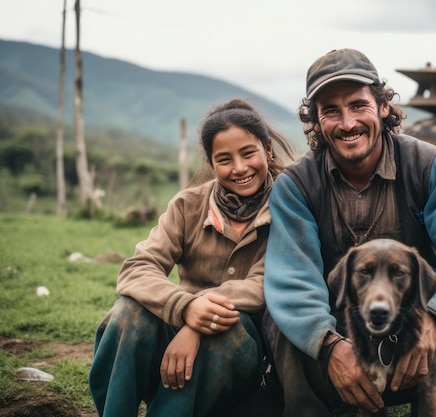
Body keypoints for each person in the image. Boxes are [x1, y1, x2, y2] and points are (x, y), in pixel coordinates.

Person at [262, 48, 436, 416]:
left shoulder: (430, 167)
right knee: (279, 322)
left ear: (383, 106)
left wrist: (433, 315)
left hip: (418, 312)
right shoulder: (297, 185)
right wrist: (329, 345)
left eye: (359, 105)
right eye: (330, 111)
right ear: (316, 122)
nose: (347, 123)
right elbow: (293, 279)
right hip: (347, 321)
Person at [89, 99, 294, 417]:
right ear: (212, 164)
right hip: (178, 346)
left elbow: (264, 284)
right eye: (224, 159)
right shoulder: (187, 206)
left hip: (245, 357)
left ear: (267, 150)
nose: (239, 168)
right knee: (129, 313)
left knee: (225, 330)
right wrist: (185, 309)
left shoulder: (289, 206)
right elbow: (137, 269)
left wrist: (197, 322)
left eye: (248, 153)